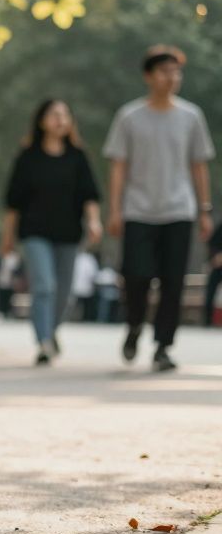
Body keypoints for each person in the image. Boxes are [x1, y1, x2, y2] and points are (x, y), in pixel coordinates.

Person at [104, 45, 215, 371]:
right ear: (148, 76)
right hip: (138, 210)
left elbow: (199, 165)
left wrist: (204, 210)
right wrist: (115, 210)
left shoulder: (191, 116)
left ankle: (163, 346)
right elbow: (118, 166)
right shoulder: (129, 116)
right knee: (136, 276)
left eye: (176, 72)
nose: (172, 78)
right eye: (165, 71)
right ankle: (134, 324)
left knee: (173, 281)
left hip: (178, 210)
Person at [0, 99, 102, 365]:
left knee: (65, 293)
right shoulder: (28, 157)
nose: (60, 119)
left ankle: (51, 330)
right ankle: (44, 341)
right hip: (34, 232)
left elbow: (89, 195)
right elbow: (13, 202)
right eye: (54, 114)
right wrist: (7, 237)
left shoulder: (77, 157)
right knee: (44, 285)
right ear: (42, 121)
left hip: (68, 233)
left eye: (65, 114)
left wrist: (94, 222)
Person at [205, 215, 222, 327]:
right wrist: (215, 257)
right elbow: (212, 243)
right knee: (211, 288)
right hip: (219, 266)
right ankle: (207, 319)